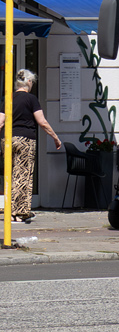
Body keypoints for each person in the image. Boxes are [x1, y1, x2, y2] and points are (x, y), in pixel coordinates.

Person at [7, 69, 62, 223]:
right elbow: (42, 121)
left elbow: (1, 121)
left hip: (9, 140)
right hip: (26, 140)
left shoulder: (8, 98)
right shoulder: (31, 99)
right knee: (23, 176)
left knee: (12, 175)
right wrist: (55, 137)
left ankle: (12, 211)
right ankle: (19, 213)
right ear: (29, 82)